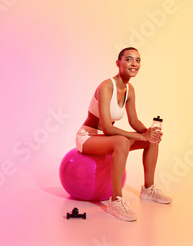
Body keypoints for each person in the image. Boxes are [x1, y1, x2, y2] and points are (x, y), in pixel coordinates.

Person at [75, 47, 172, 222]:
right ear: (118, 63)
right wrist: (140, 136)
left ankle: (148, 189)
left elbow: (134, 121)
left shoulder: (130, 90)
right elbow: (107, 128)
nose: (134, 64)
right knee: (121, 142)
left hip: (106, 138)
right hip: (88, 137)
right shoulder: (106, 86)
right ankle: (116, 201)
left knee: (152, 141)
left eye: (138, 60)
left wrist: (148, 133)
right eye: (128, 59)